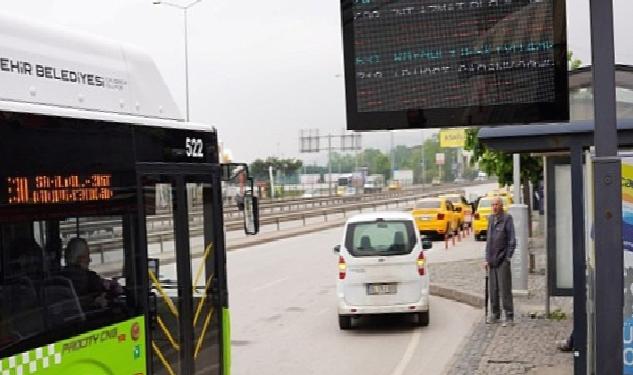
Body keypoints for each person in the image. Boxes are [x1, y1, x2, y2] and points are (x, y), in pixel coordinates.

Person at [61, 238, 120, 311]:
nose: (90, 260)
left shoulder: (60, 277)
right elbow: (107, 293)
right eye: (87, 256)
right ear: (80, 259)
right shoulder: (89, 278)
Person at [483, 196, 516, 327]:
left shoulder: (507, 219)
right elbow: (489, 241)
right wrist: (486, 258)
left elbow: (512, 240)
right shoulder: (491, 219)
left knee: (504, 289)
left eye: (496, 205)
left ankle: (509, 316)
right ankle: (495, 314)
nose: (494, 207)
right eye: (493, 205)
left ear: (501, 206)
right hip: (492, 260)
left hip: (502, 260)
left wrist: (507, 258)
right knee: (493, 289)